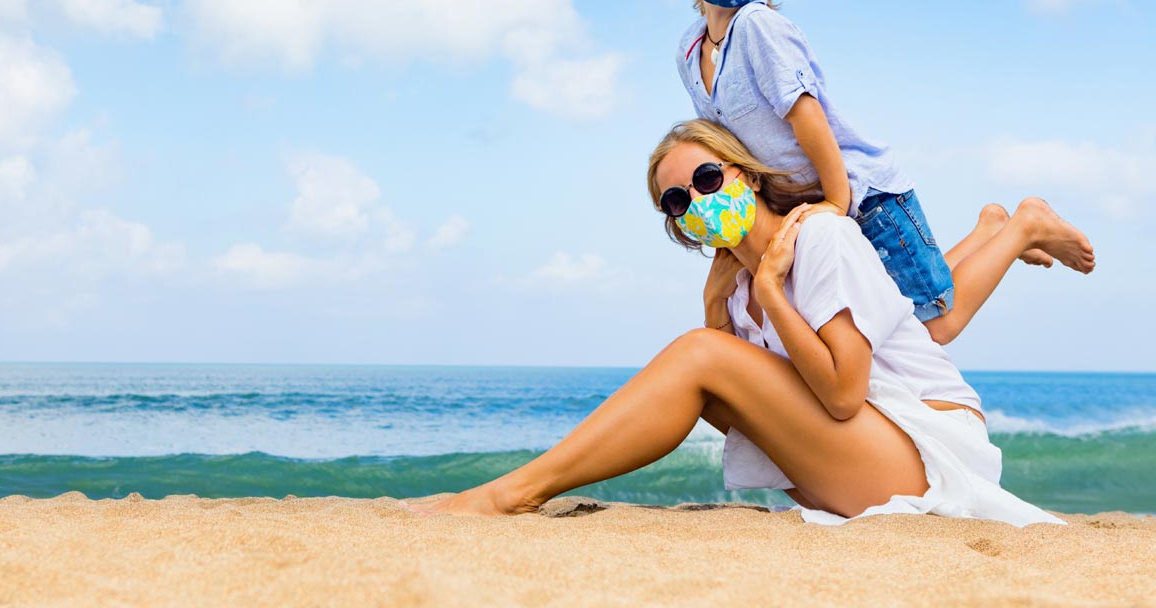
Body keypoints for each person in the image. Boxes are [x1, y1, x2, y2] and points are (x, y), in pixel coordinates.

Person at [407, 120, 1066, 526]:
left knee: (703, 355)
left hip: (927, 452)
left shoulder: (821, 239)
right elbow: (731, 408)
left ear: (745, 174)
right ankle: (517, 489)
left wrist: (772, 294)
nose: (694, 201)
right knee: (707, 355)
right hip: (865, 449)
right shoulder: (740, 285)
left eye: (704, 177)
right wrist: (718, 309)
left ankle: (513, 493)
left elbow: (840, 394)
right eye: (675, 201)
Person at [675, 0, 1094, 344]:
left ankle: (1025, 224)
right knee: (898, 313)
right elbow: (723, 144)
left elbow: (806, 116)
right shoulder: (688, 51)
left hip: (862, 194)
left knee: (934, 325)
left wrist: (838, 201)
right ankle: (991, 229)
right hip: (809, 208)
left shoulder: (759, 26)